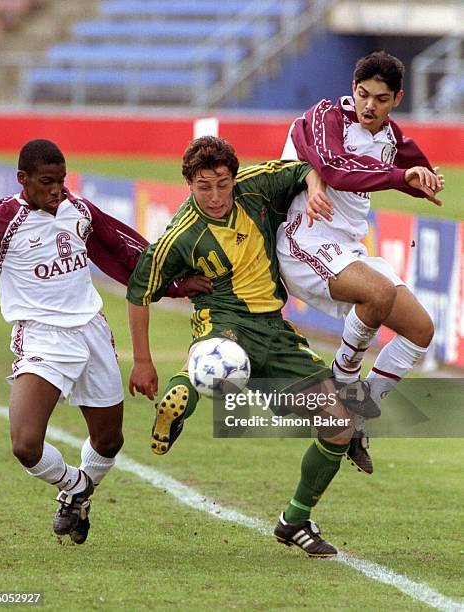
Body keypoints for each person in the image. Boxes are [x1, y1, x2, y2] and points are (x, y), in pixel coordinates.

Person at [127, 135, 371, 557]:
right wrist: (143, 361)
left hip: (276, 333)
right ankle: (181, 394)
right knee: (219, 361)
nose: (216, 195)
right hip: (224, 322)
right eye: (204, 186)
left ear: (234, 178)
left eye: (223, 183)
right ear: (188, 184)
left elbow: (304, 168)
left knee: (339, 421)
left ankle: (295, 519)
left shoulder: (257, 185)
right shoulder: (179, 236)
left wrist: (314, 190)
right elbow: (139, 291)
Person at [0, 139, 206, 545]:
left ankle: (75, 499)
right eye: (47, 182)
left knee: (109, 439)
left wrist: (176, 284)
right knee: (25, 444)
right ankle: (78, 487)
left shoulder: (79, 211)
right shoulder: (0, 221)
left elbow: (126, 253)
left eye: (61, 180)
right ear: (23, 180)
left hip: (93, 333)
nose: (56, 190)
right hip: (42, 339)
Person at [277, 51, 444, 474]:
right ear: (352, 88)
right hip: (306, 236)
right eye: (363, 93)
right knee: (378, 293)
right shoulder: (325, 117)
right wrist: (400, 177)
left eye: (381, 99)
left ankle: (358, 412)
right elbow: (335, 169)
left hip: (349, 247)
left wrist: (422, 179)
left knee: (421, 330)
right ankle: (345, 389)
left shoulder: (391, 136)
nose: (370, 105)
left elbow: (412, 167)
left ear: (397, 99)